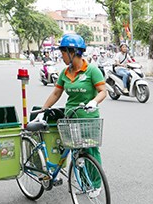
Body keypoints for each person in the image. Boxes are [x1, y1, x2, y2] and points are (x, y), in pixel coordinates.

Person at [41, 33, 106, 169]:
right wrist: (43, 110)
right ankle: (83, 185)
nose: (61, 56)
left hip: (88, 119)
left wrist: (93, 102)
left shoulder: (91, 70)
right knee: (77, 153)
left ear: (73, 52)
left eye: (63, 52)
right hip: (71, 118)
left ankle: (95, 184)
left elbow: (103, 91)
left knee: (91, 152)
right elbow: (56, 93)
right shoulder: (65, 73)